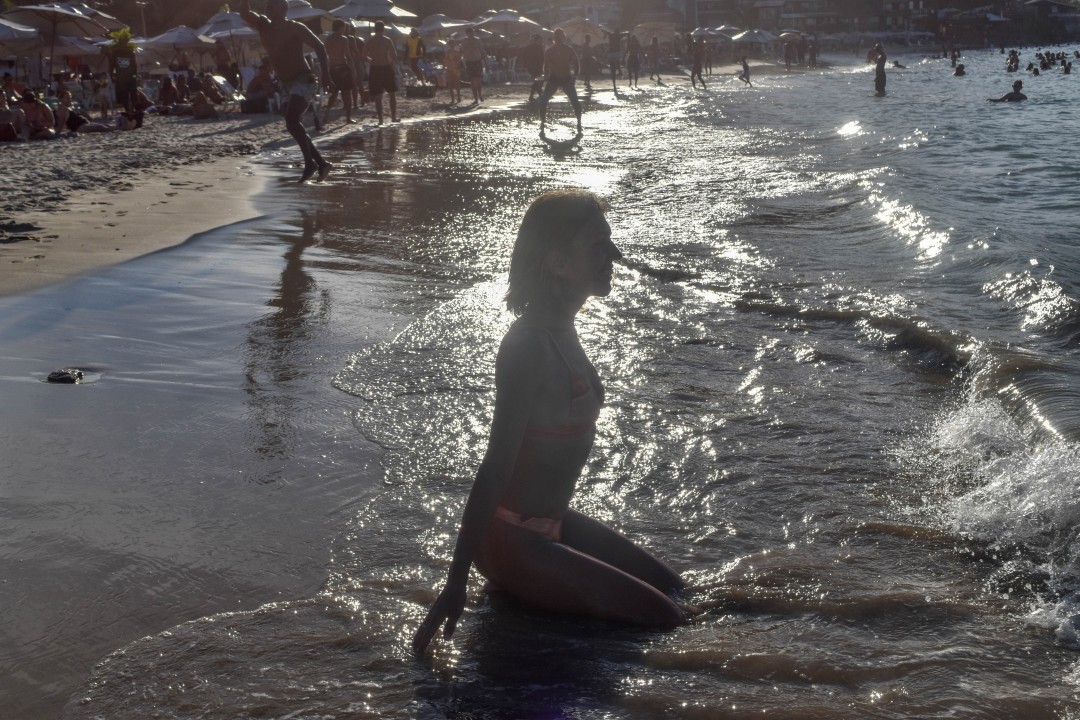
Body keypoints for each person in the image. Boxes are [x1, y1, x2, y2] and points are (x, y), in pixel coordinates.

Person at [411, 190, 686, 656]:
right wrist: (455, 583)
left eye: (611, 243)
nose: (615, 256)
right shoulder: (528, 346)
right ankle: (516, 601)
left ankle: (521, 605)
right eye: (599, 246)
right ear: (558, 263)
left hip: (552, 523)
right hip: (511, 538)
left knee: (678, 593)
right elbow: (495, 466)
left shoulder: (565, 325)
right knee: (667, 620)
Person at [240, 0, 331, 183]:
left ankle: (311, 164)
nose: (268, 7)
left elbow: (319, 46)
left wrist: (327, 75)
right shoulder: (263, 25)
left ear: (284, 9)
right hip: (285, 83)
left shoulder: (295, 28)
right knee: (293, 124)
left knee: (291, 120)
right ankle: (321, 163)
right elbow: (244, 12)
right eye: (267, 5)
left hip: (304, 79)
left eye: (273, 4)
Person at [539, 28, 583, 137]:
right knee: (543, 102)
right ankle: (542, 123)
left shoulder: (569, 49)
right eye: (556, 37)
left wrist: (575, 77)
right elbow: (546, 65)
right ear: (554, 38)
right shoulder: (550, 51)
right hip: (554, 78)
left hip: (566, 78)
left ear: (563, 37)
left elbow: (576, 63)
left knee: (575, 102)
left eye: (560, 37)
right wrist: (546, 76)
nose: (558, 39)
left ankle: (579, 123)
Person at [365, 20, 399, 125]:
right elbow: (394, 55)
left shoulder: (370, 41)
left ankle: (380, 120)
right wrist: (391, 63)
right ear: (383, 29)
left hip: (375, 68)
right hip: (385, 67)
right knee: (392, 94)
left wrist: (371, 60)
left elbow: (363, 55)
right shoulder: (387, 40)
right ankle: (393, 117)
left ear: (375, 29)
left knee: (378, 96)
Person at [323, 19, 357, 125]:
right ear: (341, 28)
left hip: (333, 68)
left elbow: (325, 56)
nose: (345, 30)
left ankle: (326, 116)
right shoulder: (344, 39)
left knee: (333, 94)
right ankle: (348, 118)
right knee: (347, 94)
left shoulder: (328, 39)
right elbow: (348, 56)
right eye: (344, 28)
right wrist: (353, 70)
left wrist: (326, 71)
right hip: (343, 68)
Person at [107, 37, 139, 114]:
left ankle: (132, 108)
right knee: (124, 95)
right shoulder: (115, 53)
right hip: (120, 78)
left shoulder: (131, 53)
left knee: (133, 94)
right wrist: (111, 75)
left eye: (125, 43)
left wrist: (135, 75)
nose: (124, 45)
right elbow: (112, 65)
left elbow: (134, 65)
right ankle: (127, 109)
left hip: (130, 77)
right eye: (123, 43)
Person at [461, 26, 485, 104]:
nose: (472, 34)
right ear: (467, 33)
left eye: (473, 32)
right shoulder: (464, 41)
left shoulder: (477, 40)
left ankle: (480, 95)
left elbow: (482, 50)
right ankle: (475, 98)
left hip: (477, 61)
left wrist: (485, 60)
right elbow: (461, 51)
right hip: (469, 62)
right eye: (470, 32)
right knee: (472, 81)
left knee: (478, 80)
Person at [522, 34, 545, 103]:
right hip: (537, 67)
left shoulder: (528, 47)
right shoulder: (538, 47)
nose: (542, 41)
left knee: (537, 80)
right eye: (541, 40)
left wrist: (526, 65)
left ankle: (538, 94)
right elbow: (542, 58)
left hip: (531, 67)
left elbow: (523, 57)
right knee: (538, 80)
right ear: (537, 40)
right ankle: (535, 95)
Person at [444, 39, 463, 105]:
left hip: (455, 69)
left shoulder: (456, 52)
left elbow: (459, 61)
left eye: (453, 43)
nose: (452, 45)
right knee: (450, 85)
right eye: (450, 43)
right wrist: (445, 67)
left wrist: (456, 67)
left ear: (454, 44)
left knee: (457, 84)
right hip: (449, 69)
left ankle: (458, 96)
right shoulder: (447, 52)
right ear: (449, 45)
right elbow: (445, 61)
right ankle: (452, 99)